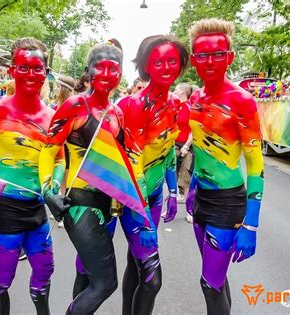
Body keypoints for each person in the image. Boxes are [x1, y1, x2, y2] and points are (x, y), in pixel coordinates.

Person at [0, 38, 63, 315]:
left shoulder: (54, 118)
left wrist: (51, 188)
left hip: (38, 211)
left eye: (37, 68)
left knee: (45, 271)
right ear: (13, 70)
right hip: (4, 212)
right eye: (24, 67)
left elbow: (59, 159)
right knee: (2, 280)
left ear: (46, 71)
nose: (31, 75)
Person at [39, 42, 124, 314]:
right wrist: (48, 191)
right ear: (89, 71)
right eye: (101, 67)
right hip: (81, 205)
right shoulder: (75, 105)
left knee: (88, 276)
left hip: (105, 206)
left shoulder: (116, 112)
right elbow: (48, 149)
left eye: (114, 68)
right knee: (106, 282)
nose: (108, 73)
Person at [187, 18, 265, 314]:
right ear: (194, 60)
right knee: (216, 280)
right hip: (202, 202)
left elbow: (256, 165)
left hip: (228, 203)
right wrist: (193, 187)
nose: (210, 61)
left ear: (230, 57)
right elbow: (201, 149)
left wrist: (251, 224)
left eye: (218, 53)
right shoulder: (195, 98)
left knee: (210, 283)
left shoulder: (242, 101)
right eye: (202, 55)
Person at [117, 35, 189, 315]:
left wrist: (173, 192)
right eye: (157, 61)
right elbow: (135, 164)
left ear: (181, 65)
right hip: (135, 199)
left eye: (172, 60)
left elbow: (168, 151)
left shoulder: (173, 103)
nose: (166, 66)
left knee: (135, 265)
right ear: (146, 65)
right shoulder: (136, 105)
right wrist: (145, 217)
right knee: (152, 277)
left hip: (155, 196)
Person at [174, 83, 194, 207]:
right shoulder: (174, 106)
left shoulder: (190, 108)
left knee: (186, 177)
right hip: (174, 145)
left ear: (182, 92)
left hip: (187, 145)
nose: (174, 91)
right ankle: (171, 208)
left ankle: (189, 210)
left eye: (176, 89)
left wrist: (186, 146)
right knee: (172, 177)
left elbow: (194, 130)